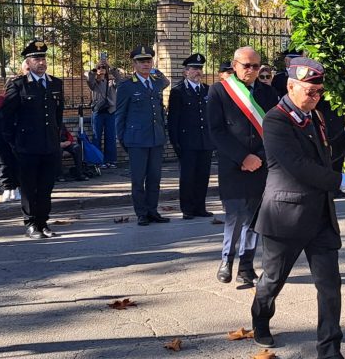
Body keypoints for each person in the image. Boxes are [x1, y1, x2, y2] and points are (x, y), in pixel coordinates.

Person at [251, 57, 345, 358]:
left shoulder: (315, 117)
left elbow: (324, 156)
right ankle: (260, 319)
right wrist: (342, 180)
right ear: (290, 86)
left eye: (319, 92)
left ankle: (329, 349)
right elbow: (297, 167)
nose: (316, 97)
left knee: (330, 286)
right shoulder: (275, 120)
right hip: (285, 217)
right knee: (273, 280)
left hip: (320, 216)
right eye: (310, 92)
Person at [208, 47, 278, 285]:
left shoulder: (268, 93)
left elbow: (273, 130)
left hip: (261, 163)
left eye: (256, 66)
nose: (251, 70)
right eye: (246, 65)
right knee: (235, 216)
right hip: (233, 164)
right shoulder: (219, 91)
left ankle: (246, 266)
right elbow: (216, 131)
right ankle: (227, 260)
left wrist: (259, 156)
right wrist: (242, 157)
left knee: (254, 217)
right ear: (234, 65)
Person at [2, 40, 64, 239]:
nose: (42, 62)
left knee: (46, 187)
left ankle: (43, 222)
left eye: (44, 58)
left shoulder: (56, 83)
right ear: (27, 62)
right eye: (37, 58)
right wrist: (14, 142)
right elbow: (5, 117)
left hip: (50, 146)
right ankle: (31, 224)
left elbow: (57, 116)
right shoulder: (18, 85)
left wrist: (56, 138)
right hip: (27, 147)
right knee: (29, 188)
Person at [115, 45, 170, 226]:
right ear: (134, 64)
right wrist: (123, 139)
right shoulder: (127, 85)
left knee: (154, 178)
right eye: (141, 61)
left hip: (156, 138)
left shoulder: (155, 82)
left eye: (148, 61)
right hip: (136, 140)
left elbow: (165, 83)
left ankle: (152, 210)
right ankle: (141, 213)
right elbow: (120, 115)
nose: (146, 64)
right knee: (138, 179)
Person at [168, 53, 215, 220]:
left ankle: (200, 207)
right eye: (194, 69)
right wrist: (176, 143)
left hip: (205, 141)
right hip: (187, 142)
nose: (198, 72)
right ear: (185, 72)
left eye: (200, 68)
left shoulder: (208, 90)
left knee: (203, 176)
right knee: (188, 176)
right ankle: (187, 208)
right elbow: (173, 120)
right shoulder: (178, 92)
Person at [86, 53, 123, 169]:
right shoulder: (94, 84)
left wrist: (109, 66)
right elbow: (89, 78)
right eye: (100, 69)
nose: (101, 70)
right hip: (98, 111)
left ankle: (110, 160)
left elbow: (119, 79)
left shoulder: (111, 83)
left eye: (103, 69)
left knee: (110, 136)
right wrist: (96, 66)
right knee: (96, 136)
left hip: (110, 111)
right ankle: (98, 160)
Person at [0, 91, 20, 202]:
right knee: (2, 162)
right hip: (0, 137)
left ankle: (16, 188)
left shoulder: (17, 102)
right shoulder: (0, 101)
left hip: (15, 135)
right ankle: (7, 187)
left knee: (16, 161)